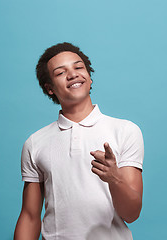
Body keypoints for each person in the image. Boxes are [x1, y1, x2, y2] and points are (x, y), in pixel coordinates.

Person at [14, 42, 144, 240]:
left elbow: (132, 213)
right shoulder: (35, 143)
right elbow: (30, 216)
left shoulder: (125, 131)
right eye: (60, 72)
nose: (73, 74)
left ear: (89, 78)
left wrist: (114, 178)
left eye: (78, 67)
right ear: (49, 88)